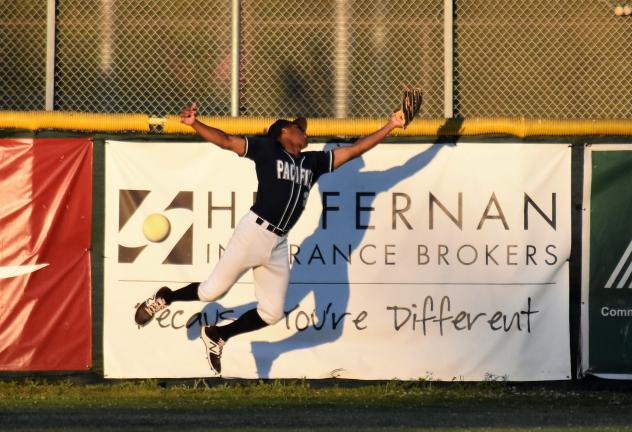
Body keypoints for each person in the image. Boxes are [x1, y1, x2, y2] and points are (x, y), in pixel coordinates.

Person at [134, 102, 405, 376]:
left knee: (272, 313)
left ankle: (218, 335)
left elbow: (356, 149)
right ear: (285, 131)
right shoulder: (268, 150)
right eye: (300, 129)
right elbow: (227, 141)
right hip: (253, 233)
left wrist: (391, 125)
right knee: (210, 292)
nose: (305, 133)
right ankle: (166, 297)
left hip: (278, 243)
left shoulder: (313, 162)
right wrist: (195, 124)